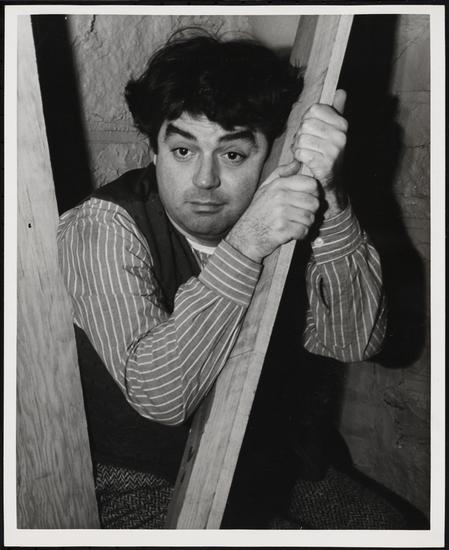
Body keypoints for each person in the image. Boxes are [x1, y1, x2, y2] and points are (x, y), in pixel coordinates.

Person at [58, 30, 396, 529]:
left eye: (233, 155)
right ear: (153, 149)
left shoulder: (287, 202)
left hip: (269, 465)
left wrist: (330, 193)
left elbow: (352, 341)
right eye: (183, 151)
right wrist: (245, 246)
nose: (205, 180)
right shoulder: (102, 226)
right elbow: (161, 395)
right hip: (138, 482)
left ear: (271, 154)